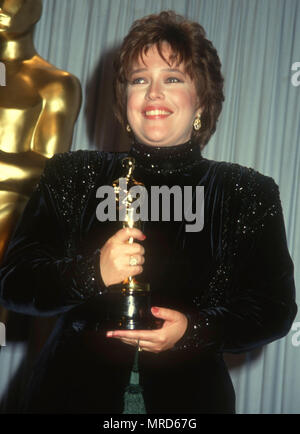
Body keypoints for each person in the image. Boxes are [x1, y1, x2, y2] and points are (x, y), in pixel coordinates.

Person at [0, 10, 297, 414]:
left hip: (191, 404)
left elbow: (274, 310)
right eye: (140, 79)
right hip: (68, 396)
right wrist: (93, 272)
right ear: (125, 99)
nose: (154, 93)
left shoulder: (246, 192)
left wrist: (195, 331)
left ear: (202, 101)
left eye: (172, 78)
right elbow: (14, 283)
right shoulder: (74, 174)